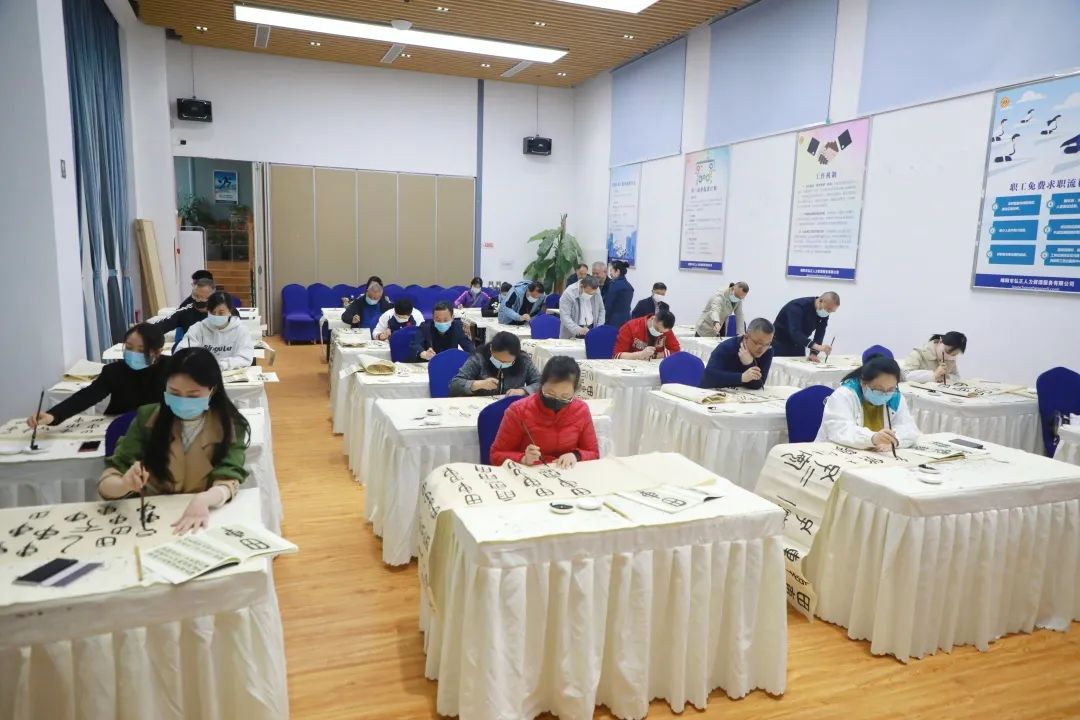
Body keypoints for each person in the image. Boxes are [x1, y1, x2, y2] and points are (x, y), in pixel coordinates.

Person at [98, 347, 251, 535]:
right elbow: (109, 479)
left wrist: (204, 499)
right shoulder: (147, 418)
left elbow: (229, 476)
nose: (183, 401)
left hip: (204, 517)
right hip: (151, 519)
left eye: (193, 395)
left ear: (212, 390)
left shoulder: (230, 425)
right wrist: (124, 484)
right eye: (174, 393)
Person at [28, 323, 168, 428]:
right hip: (117, 425)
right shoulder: (114, 371)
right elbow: (87, 396)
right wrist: (53, 415)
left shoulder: (171, 369)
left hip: (157, 427)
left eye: (142, 350)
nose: (133, 354)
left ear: (158, 351)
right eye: (129, 347)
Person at [489, 356, 600, 469]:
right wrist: (523, 459)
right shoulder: (519, 411)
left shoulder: (581, 410)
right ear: (541, 384)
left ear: (575, 391)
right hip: (530, 472)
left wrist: (576, 455)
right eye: (550, 393)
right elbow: (496, 455)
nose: (556, 400)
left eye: (565, 396)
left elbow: (593, 452)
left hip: (567, 472)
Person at [817, 355, 920, 451]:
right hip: (837, 452)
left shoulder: (895, 396)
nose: (885, 394)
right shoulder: (844, 394)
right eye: (878, 389)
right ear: (863, 382)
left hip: (876, 455)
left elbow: (909, 429)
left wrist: (894, 441)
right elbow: (840, 429)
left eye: (890, 389)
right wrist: (872, 438)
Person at [177, 291, 256, 370]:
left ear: (230, 311)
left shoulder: (241, 330)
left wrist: (223, 365)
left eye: (221, 313)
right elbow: (181, 353)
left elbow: (245, 358)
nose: (216, 316)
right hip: (203, 373)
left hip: (231, 373)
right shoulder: (197, 329)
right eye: (212, 312)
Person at [450, 331, 540, 397]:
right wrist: (478, 384)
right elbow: (454, 385)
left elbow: (540, 383)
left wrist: (523, 391)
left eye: (507, 362)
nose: (502, 364)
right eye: (498, 360)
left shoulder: (524, 360)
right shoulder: (479, 358)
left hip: (511, 406)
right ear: (491, 349)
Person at [701, 318, 774, 390]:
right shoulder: (727, 347)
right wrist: (742, 377)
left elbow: (758, 385)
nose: (762, 349)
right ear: (746, 337)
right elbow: (709, 377)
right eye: (757, 343)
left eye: (767, 344)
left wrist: (748, 364)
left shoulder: (768, 351)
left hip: (741, 394)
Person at [772, 292, 839, 361]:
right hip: (780, 343)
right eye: (828, 309)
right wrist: (817, 347)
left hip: (799, 344)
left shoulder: (824, 312)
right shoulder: (797, 306)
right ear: (820, 301)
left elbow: (820, 333)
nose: (828, 312)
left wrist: (814, 353)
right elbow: (795, 332)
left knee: (800, 366)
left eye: (831, 311)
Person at [155, 278, 237, 334]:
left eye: (203, 297)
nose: (198, 300)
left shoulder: (226, 311)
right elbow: (160, 326)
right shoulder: (185, 311)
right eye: (196, 296)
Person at [411, 301, 475, 361]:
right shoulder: (425, 328)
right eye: (438, 320)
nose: (442, 323)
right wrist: (423, 353)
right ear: (433, 318)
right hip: (427, 363)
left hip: (450, 362)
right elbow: (415, 344)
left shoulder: (458, 327)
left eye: (445, 320)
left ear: (452, 318)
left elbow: (469, 347)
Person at [612, 308, 681, 360]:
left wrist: (656, 355)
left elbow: (676, 350)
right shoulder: (630, 327)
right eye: (657, 329)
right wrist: (640, 355)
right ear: (653, 318)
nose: (659, 333)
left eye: (662, 332)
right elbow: (617, 355)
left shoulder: (665, 330)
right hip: (631, 367)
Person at [901, 331, 967, 383]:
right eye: (947, 351)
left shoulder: (951, 359)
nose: (948, 357)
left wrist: (947, 377)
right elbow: (905, 376)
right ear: (940, 341)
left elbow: (957, 377)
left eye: (954, 354)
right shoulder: (919, 353)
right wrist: (933, 375)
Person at [603, 260, 634, 328]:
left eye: (611, 270)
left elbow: (608, 305)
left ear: (617, 271)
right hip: (626, 322)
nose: (610, 273)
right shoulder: (629, 286)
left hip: (613, 322)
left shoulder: (614, 285)